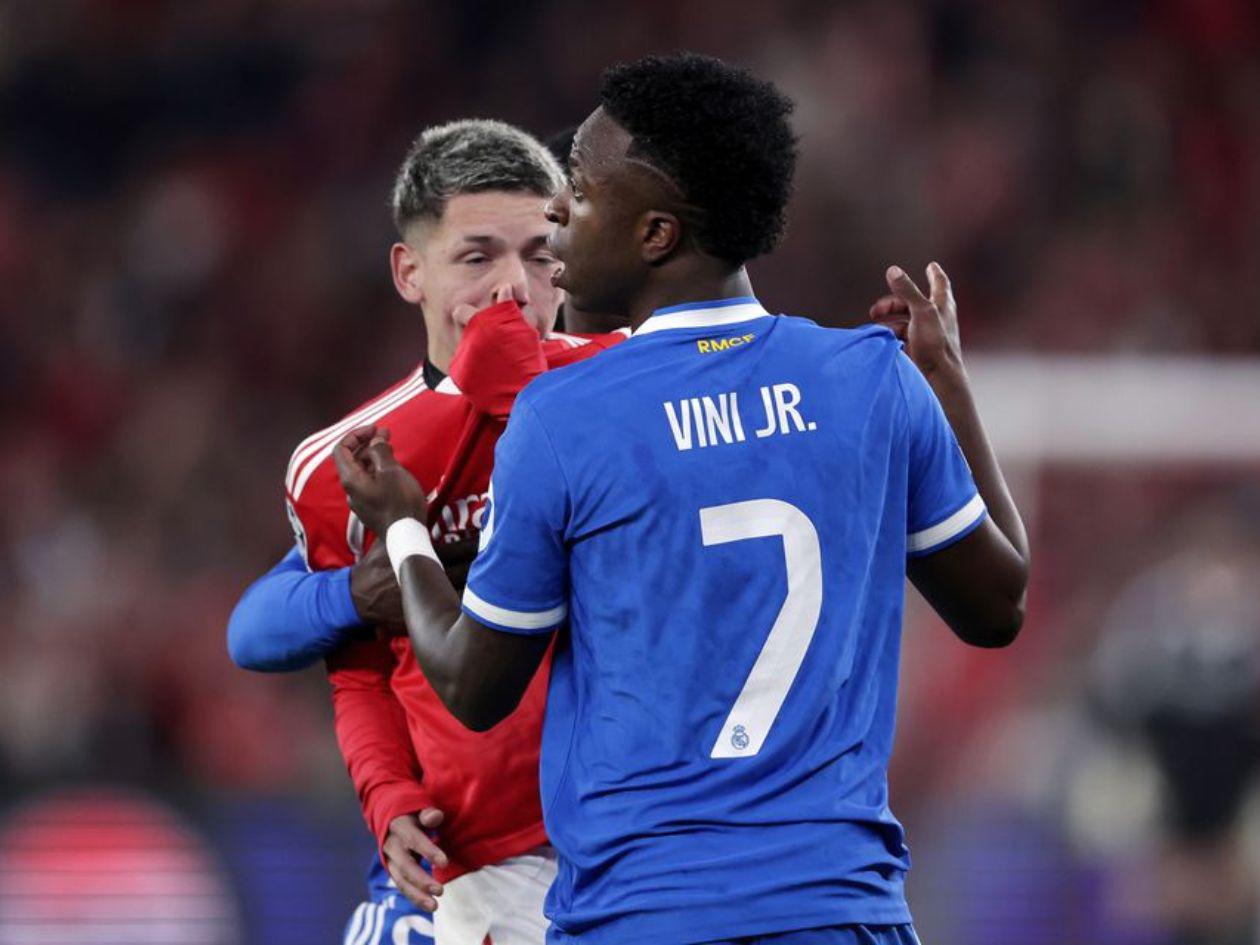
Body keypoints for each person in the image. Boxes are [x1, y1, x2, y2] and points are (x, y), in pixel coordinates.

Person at [335, 53, 1029, 944]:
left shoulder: (565, 415)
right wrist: (950, 385)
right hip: (840, 911)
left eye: (581, 191)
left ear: (656, 234)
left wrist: (402, 528)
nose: (557, 212)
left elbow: (473, 685)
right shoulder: (873, 380)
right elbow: (998, 605)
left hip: (645, 913)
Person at [226, 119, 625, 945]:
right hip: (469, 867)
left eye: (540, 255)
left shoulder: (630, 388)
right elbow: (356, 670)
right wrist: (387, 797)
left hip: (635, 850)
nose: (513, 287)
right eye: (477, 258)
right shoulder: (351, 462)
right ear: (410, 272)